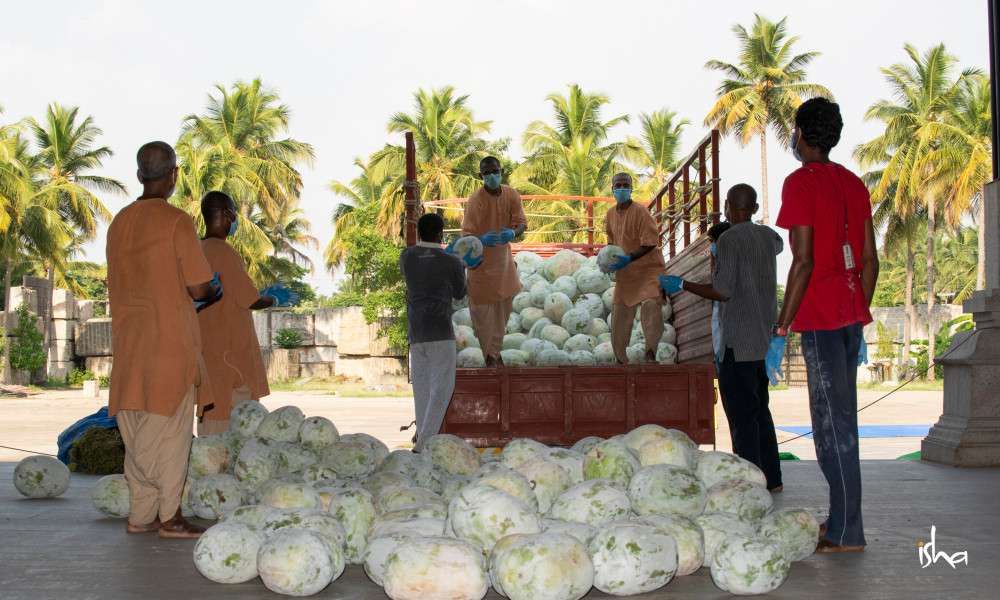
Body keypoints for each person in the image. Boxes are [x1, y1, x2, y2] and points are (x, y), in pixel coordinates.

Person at [774, 97, 878, 553]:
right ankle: (840, 521)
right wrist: (856, 313)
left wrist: (782, 326)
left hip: (817, 319)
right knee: (844, 419)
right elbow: (870, 261)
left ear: (800, 134)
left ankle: (845, 530)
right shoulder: (853, 183)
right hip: (850, 314)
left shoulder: (800, 182)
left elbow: (803, 260)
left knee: (830, 425)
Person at [106, 141, 220, 538]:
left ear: (139, 175)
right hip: (169, 346)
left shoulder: (118, 222)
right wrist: (212, 288)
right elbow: (200, 288)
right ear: (173, 175)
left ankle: (141, 516)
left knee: (135, 429)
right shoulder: (177, 221)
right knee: (169, 437)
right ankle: (169, 517)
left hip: (128, 346)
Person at [660, 184, 784, 492]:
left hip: (737, 343)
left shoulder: (729, 239)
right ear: (754, 209)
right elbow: (778, 245)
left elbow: (722, 291)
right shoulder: (769, 237)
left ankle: (748, 481)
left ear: (727, 206)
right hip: (762, 341)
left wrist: (682, 283)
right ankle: (773, 479)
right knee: (760, 412)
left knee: (741, 418)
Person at [196, 191, 295, 436]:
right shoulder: (223, 251)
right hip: (231, 362)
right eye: (234, 215)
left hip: (207, 357)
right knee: (236, 432)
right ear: (228, 215)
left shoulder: (197, 250)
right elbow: (251, 299)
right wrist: (274, 298)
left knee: (210, 425)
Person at [400, 213, 477, 450]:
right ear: (440, 233)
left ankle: (420, 438)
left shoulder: (407, 257)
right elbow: (460, 294)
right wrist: (465, 266)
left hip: (416, 332)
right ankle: (424, 442)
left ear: (420, 232)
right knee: (442, 389)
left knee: (422, 390)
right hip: (440, 331)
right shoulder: (450, 261)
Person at [461, 156, 527, 367]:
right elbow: (466, 235)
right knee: (482, 316)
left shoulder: (511, 194)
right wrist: (482, 239)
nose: (491, 176)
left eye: (495, 171)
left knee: (502, 314)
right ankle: (491, 356)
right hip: (480, 267)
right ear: (481, 176)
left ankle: (494, 354)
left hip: (504, 264)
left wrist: (513, 232)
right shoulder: (475, 200)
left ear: (501, 171)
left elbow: (522, 223)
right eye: (487, 173)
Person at [603, 172, 665, 363]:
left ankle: (650, 353)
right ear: (613, 189)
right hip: (626, 274)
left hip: (648, 270)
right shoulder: (610, 215)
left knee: (651, 305)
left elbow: (650, 242)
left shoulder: (641, 212)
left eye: (625, 185)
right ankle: (621, 359)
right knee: (619, 314)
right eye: (618, 185)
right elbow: (611, 244)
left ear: (631, 189)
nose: (622, 188)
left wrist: (628, 258)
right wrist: (609, 262)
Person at [706, 221, 732, 368]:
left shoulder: (730, 267)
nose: (711, 246)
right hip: (720, 345)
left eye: (713, 241)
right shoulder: (718, 266)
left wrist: (683, 285)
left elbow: (718, 292)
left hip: (730, 345)